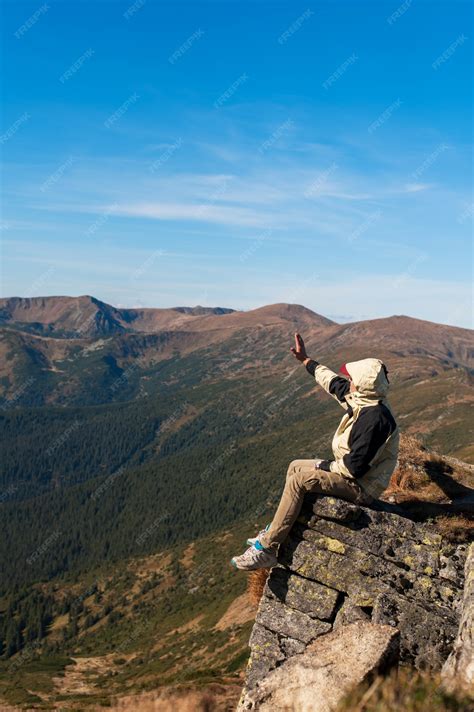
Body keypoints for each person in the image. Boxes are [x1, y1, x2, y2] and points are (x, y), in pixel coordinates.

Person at [231, 333, 400, 571]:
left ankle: (267, 549)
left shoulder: (376, 420)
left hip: (362, 486)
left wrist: (325, 466)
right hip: (351, 472)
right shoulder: (363, 399)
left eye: (351, 378)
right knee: (295, 466)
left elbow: (354, 468)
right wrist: (305, 360)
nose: (347, 381)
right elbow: (332, 382)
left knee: (300, 480)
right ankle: (276, 526)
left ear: (361, 385)